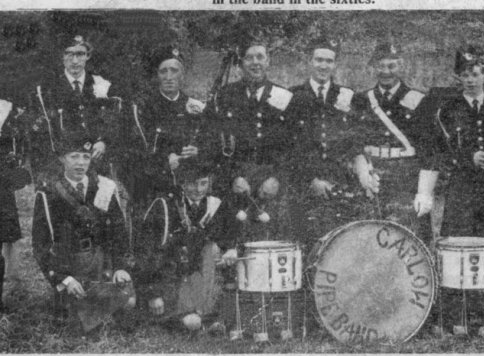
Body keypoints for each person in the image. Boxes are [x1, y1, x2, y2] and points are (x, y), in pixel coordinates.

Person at [415, 45, 484, 238]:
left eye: (474, 74)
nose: (470, 80)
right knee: (459, 240)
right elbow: (440, 151)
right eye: (465, 75)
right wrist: (469, 158)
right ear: (459, 77)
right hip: (462, 187)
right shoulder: (447, 110)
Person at [31, 135, 135, 332]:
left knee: (128, 302)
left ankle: (102, 299)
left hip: (100, 261)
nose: (80, 163)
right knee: (75, 327)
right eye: (74, 156)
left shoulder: (104, 187)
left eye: (86, 157)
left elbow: (119, 231)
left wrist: (121, 266)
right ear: (62, 159)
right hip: (69, 266)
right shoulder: (49, 194)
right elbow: (40, 245)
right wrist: (65, 280)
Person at [286, 36, 379, 246]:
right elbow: (288, 146)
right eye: (319, 60)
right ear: (309, 61)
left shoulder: (347, 96)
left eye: (329, 61)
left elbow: (356, 141)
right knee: (307, 245)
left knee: (341, 245)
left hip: (340, 182)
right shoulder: (293, 96)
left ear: (335, 64)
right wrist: (311, 179)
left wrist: (361, 170)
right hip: (304, 184)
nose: (323, 66)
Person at [204, 38, 293, 242]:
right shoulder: (224, 96)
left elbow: (292, 147)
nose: (255, 62)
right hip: (235, 182)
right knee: (232, 247)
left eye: (260, 57)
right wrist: (233, 177)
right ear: (241, 63)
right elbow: (214, 144)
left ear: (268, 61)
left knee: (270, 245)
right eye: (249, 58)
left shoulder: (285, 97)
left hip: (271, 184)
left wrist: (277, 180)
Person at [135, 158, 236, 332]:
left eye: (203, 183)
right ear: (182, 183)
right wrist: (154, 293)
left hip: (200, 281)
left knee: (211, 249)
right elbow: (146, 252)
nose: (198, 190)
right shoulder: (164, 206)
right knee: (191, 323)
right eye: (192, 184)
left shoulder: (215, 205)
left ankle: (204, 314)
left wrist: (231, 250)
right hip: (169, 281)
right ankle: (189, 318)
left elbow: (229, 237)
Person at [352, 40, 432, 242]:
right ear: (373, 67)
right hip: (372, 177)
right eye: (381, 66)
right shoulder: (362, 100)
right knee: (369, 239)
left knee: (408, 239)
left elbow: (430, 149)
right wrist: (362, 170)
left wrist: (424, 191)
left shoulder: (418, 100)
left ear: (401, 66)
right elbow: (353, 142)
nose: (386, 72)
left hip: (407, 179)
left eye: (392, 66)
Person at [28, 35, 121, 185]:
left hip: (96, 163)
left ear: (88, 56)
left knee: (100, 203)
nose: (75, 61)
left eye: (80, 54)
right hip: (60, 168)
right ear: (62, 57)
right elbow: (39, 136)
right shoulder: (46, 91)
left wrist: (104, 141)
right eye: (69, 54)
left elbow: (113, 121)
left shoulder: (102, 85)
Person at [127, 45, 205, 208]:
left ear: (182, 76)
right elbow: (136, 152)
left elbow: (206, 142)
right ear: (157, 76)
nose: (169, 77)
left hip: (190, 185)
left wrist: (199, 150)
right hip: (153, 185)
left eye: (174, 71)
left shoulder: (195, 107)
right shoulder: (141, 109)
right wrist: (164, 160)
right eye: (163, 71)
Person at [0, 98, 30, 310]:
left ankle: (5, 293)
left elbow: (19, 147)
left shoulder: (6, 109)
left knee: (4, 237)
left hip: (2, 184)